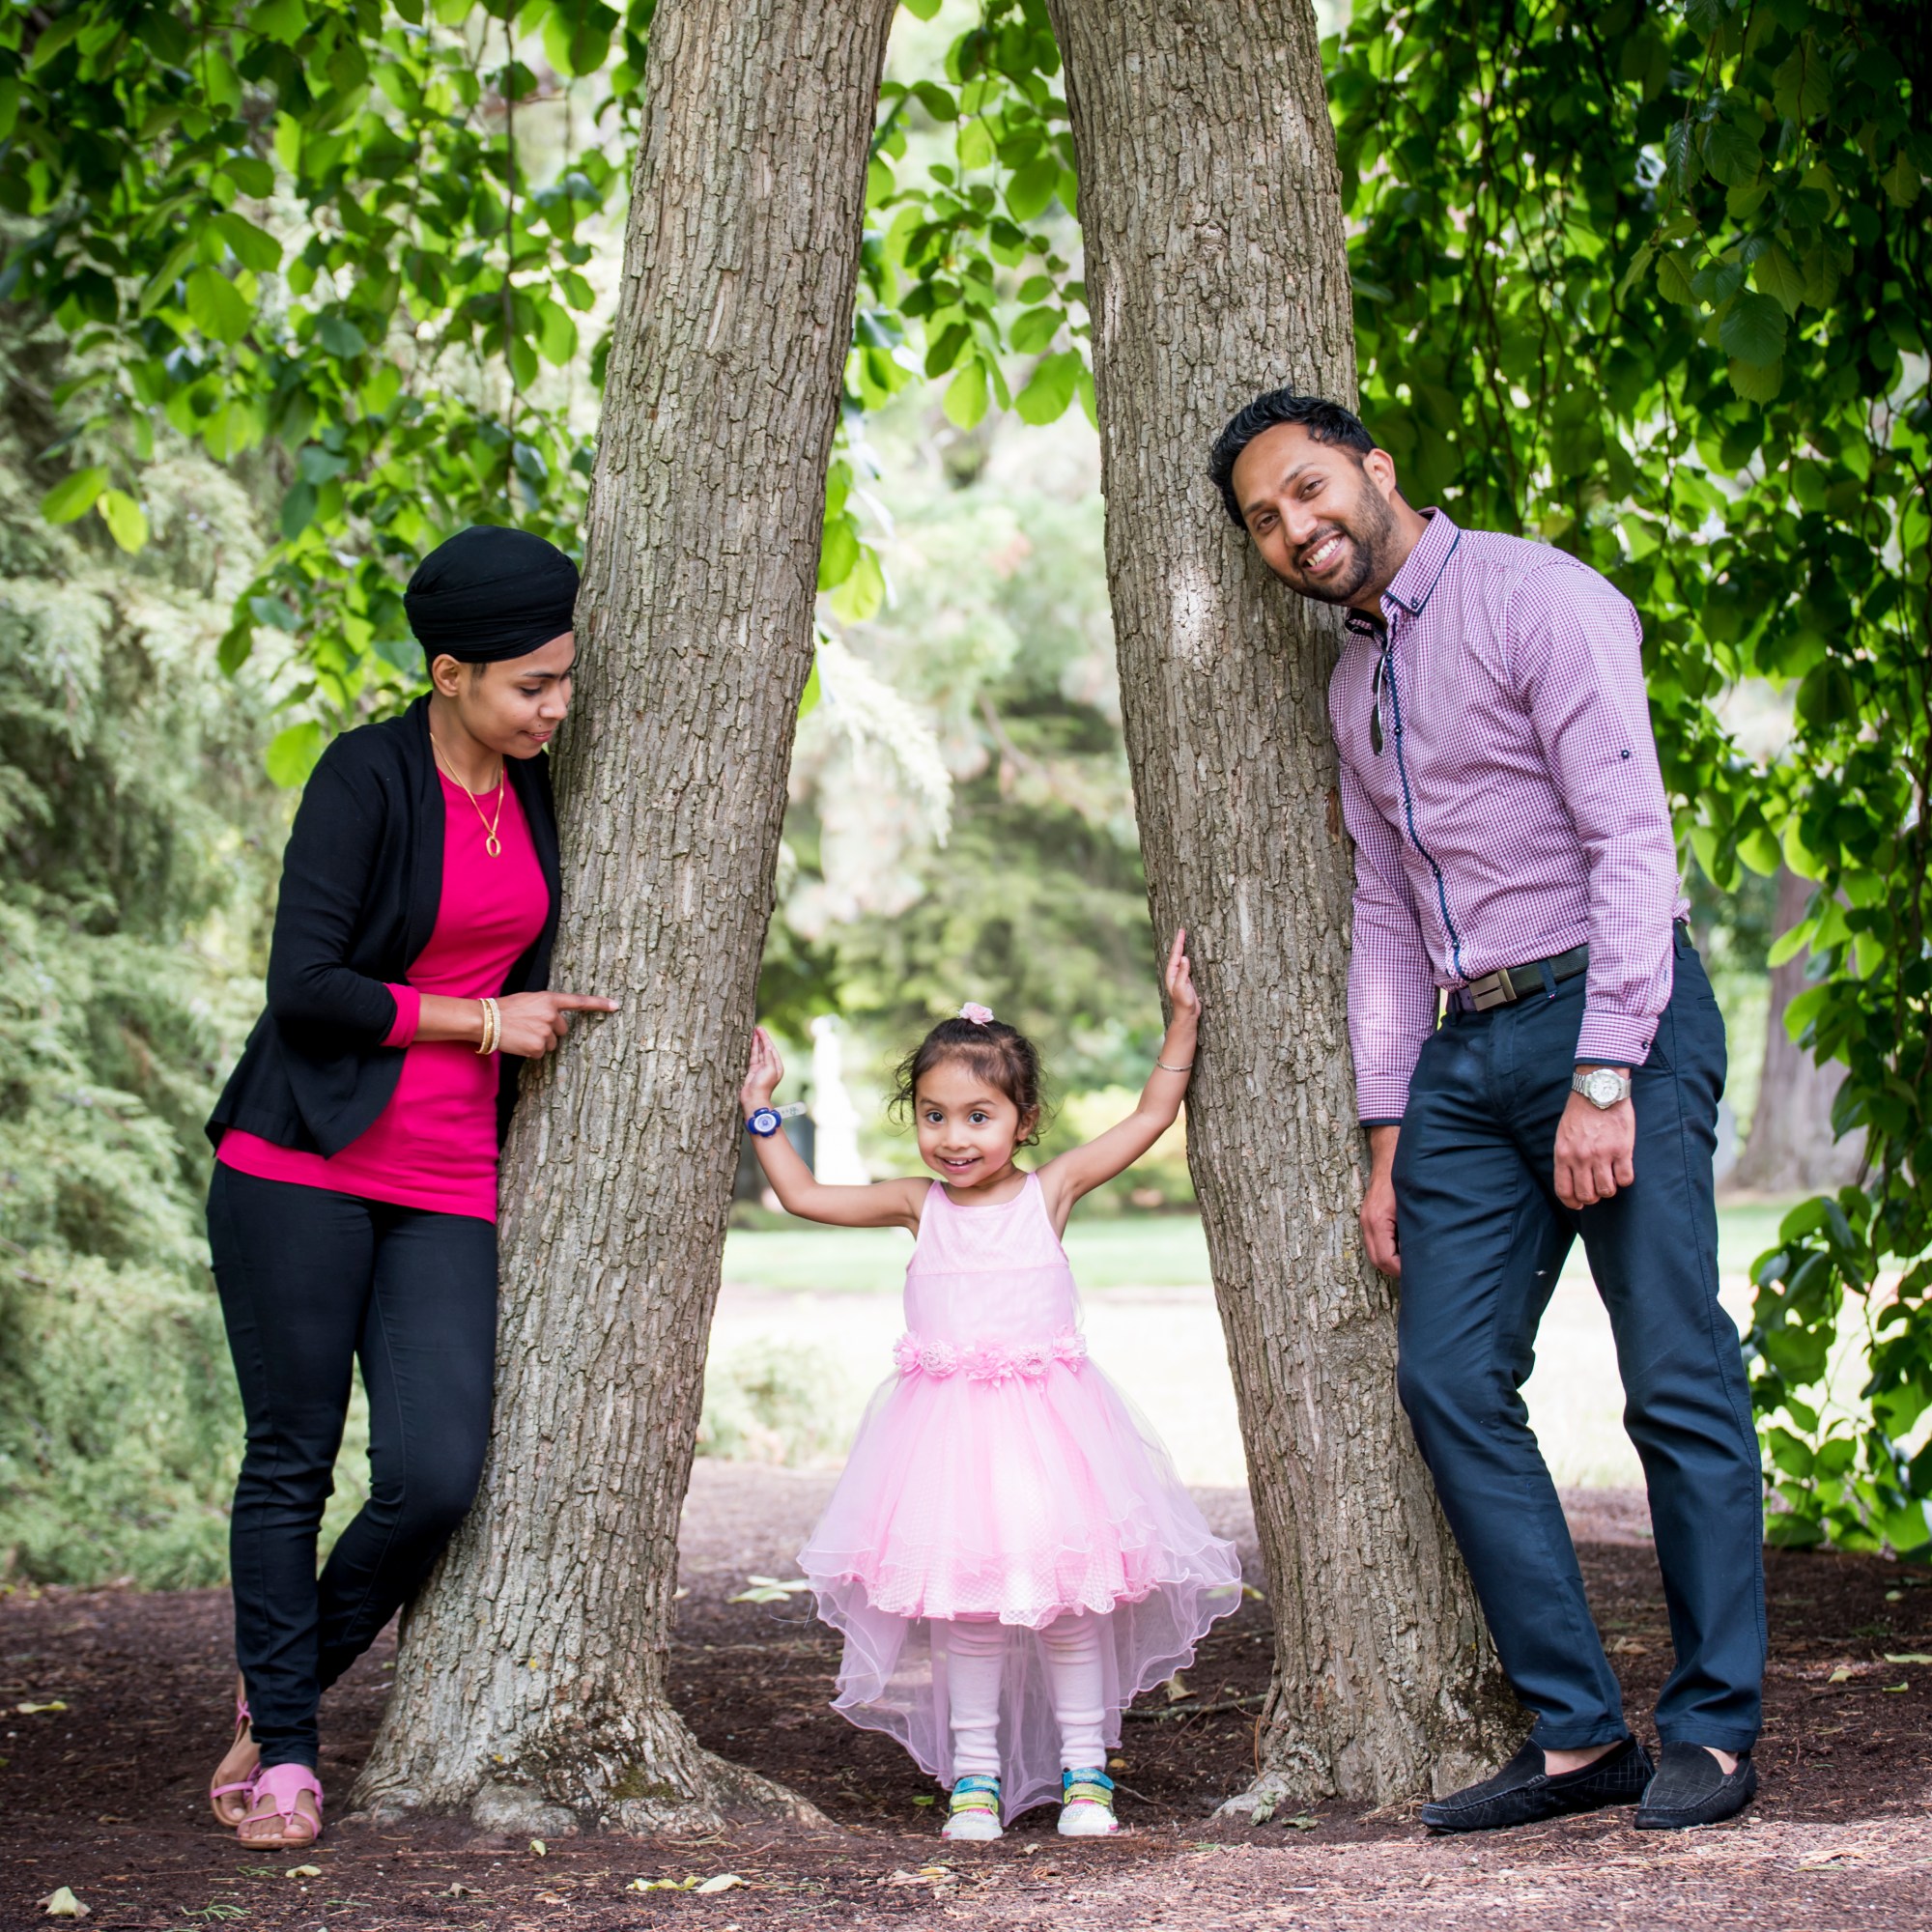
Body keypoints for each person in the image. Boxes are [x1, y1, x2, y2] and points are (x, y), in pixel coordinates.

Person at [1207, 390, 1764, 1833]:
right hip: (1464, 1053)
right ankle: (1582, 1737)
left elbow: (1631, 843)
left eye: (1311, 489)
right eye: (1268, 519)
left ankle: (1712, 1725)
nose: (1298, 528)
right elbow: (1390, 921)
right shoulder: (1351, 687)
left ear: (1375, 472)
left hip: (1607, 1010)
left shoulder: (1538, 598)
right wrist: (1388, 1139)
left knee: (1675, 1375)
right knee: (1448, 1382)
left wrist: (1605, 1074)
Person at [200, 526, 618, 1848]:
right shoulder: (365, 778)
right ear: (448, 673)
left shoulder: (538, 787)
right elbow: (306, 992)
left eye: (563, 680)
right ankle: (284, 1757)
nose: (557, 707)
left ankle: (278, 1692)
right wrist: (483, 1024)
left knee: (435, 1473)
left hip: (450, 1177)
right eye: (530, 687)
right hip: (300, 1163)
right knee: (292, 1461)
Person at [739, 940, 1242, 1839]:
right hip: (944, 1450)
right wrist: (762, 1113)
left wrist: (1184, 1020)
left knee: (1068, 1607)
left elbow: (1150, 1116)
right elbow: (806, 1198)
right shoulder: (914, 1204)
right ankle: (973, 1777)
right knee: (963, 1612)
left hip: (1054, 1442)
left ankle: (1087, 1774)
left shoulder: (1049, 1193)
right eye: (934, 1116)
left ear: (1024, 1119)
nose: (953, 1138)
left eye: (978, 1116)